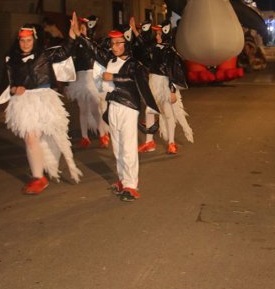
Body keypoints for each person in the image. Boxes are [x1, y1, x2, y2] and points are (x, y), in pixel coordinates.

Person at [73, 14, 159, 202]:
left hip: (128, 107)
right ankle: (122, 180)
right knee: (118, 147)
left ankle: (131, 185)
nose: (115, 47)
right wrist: (80, 36)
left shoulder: (134, 64)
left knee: (128, 148)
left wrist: (115, 79)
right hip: (113, 107)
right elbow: (94, 50)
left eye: (119, 43)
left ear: (126, 42)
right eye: (112, 43)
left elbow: (135, 81)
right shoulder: (109, 60)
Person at [0, 16, 83, 195]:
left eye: (29, 40)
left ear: (34, 40)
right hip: (24, 102)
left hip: (44, 99)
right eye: (22, 40)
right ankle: (38, 177)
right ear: (18, 41)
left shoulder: (45, 54)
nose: (25, 44)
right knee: (30, 138)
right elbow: (10, 83)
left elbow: (65, 51)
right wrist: (15, 89)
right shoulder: (11, 59)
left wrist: (72, 36)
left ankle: (47, 165)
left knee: (51, 138)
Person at [138, 19, 194, 155]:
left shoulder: (170, 52)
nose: (156, 36)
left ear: (165, 33)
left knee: (168, 113)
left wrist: (173, 91)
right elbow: (142, 48)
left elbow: (173, 72)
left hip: (165, 85)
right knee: (149, 112)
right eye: (156, 33)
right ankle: (149, 142)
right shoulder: (155, 47)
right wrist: (138, 31)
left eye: (158, 34)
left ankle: (171, 143)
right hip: (153, 83)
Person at [65, 15, 110, 148]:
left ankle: (103, 135)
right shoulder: (75, 44)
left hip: (91, 78)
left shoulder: (91, 43)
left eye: (83, 29)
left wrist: (81, 36)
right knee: (83, 109)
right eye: (80, 29)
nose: (81, 31)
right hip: (79, 79)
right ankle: (85, 137)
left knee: (95, 109)